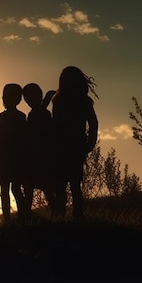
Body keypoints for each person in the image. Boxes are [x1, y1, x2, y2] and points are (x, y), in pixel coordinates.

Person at [52, 66, 99, 220]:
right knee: (72, 184)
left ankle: (64, 215)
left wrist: (91, 142)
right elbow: (93, 122)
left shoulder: (60, 100)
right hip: (72, 146)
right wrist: (90, 142)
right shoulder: (80, 101)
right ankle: (73, 216)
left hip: (66, 146)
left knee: (64, 184)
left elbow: (92, 123)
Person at [0, 84, 28, 224]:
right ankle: (18, 217)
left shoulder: (7, 117)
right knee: (13, 189)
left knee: (9, 190)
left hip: (9, 159)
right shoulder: (19, 116)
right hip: (8, 159)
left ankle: (12, 219)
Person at [22, 83, 56, 215]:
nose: (29, 101)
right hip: (37, 157)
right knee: (36, 188)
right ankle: (28, 214)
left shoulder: (40, 113)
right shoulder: (39, 113)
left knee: (41, 187)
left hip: (40, 157)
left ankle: (28, 215)